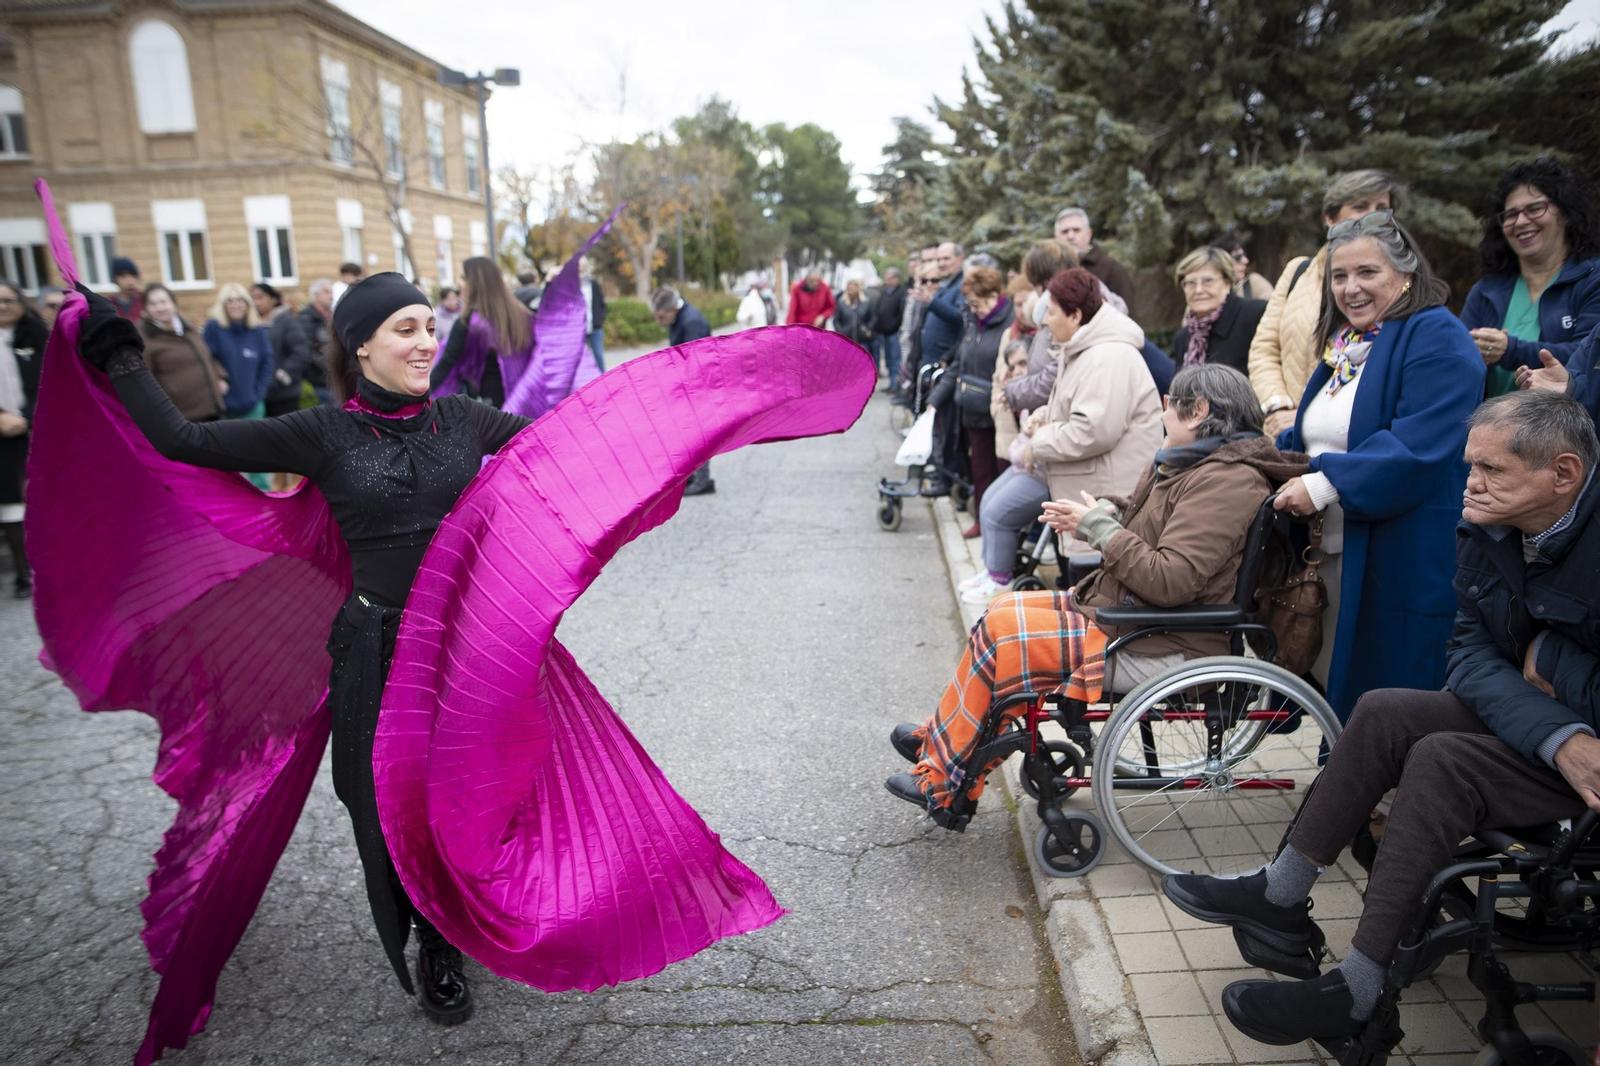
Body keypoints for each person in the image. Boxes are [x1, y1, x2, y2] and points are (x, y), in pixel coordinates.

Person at [73, 273, 539, 1026]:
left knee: (474, 790)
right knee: (387, 808)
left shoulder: (464, 419)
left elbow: (568, 449)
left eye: (429, 326)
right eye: (404, 329)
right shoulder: (322, 432)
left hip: (466, 647)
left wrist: (681, 428)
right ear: (360, 344)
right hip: (377, 650)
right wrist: (121, 353)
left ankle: (469, 917)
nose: (426, 342)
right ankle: (433, 944)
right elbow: (182, 441)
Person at [1162, 390, 1600, 1047]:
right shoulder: (1488, 524)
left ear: (1562, 473)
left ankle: (1361, 995)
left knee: (1442, 759)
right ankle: (1281, 897)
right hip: (1556, 730)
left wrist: (1550, 665)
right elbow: (1471, 658)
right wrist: (1553, 722)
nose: (1469, 482)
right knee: (1386, 709)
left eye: (1490, 470)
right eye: (1469, 465)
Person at [890, 364, 1306, 814]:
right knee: (1001, 611)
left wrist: (1102, 530)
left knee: (1009, 637)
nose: (1163, 413)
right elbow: (1158, 529)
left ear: (1198, 411)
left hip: (1166, 639)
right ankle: (945, 739)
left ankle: (947, 784)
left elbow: (1171, 579)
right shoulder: (1193, 463)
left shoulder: (1228, 480)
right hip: (1132, 614)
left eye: (1169, 405)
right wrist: (1112, 512)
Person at [1272, 214, 1484, 721]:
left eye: (1367, 272)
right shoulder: (1352, 342)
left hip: (1403, 547)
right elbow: (1326, 430)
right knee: (1340, 675)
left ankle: (1400, 793)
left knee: (1393, 679)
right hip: (1338, 543)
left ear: (1406, 273)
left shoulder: (1438, 336)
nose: (1351, 288)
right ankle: (1352, 788)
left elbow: (1420, 443)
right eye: (1339, 276)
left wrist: (1324, 482)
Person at [964, 268, 1164, 603]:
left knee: (1101, 602)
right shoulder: (1084, 349)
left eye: (1052, 314)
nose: (1045, 323)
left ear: (1075, 315)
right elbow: (1068, 406)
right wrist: (1043, 417)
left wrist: (1038, 443)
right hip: (1092, 493)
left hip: (1108, 497)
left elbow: (1092, 431)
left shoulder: (1107, 356)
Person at [1249, 169, 1406, 436]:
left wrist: (1310, 416)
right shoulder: (1298, 271)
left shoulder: (1398, 279)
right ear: (1330, 218)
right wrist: (1278, 406)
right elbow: (1264, 348)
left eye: (1382, 208)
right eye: (1360, 206)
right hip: (1285, 436)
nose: (1372, 216)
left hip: (1353, 436)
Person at [1463, 157, 1600, 398]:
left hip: (1566, 431)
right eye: (1511, 214)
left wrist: (1510, 350)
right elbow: (1455, 360)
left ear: (1566, 214)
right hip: (1488, 430)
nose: (1521, 221)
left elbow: (1590, 357)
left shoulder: (1593, 278)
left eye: (1535, 209)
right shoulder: (1486, 291)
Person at [951, 266, 1015, 540]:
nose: (972, 308)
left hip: (1002, 410)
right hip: (974, 409)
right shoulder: (971, 321)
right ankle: (982, 520)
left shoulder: (1009, 321)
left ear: (993, 296)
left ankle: (1005, 530)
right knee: (980, 470)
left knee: (1004, 473)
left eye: (976, 303)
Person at [430, 257, 533, 408]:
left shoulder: (470, 322)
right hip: (523, 399)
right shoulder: (521, 315)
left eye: (463, 278)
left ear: (475, 283)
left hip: (491, 403)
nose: (459, 283)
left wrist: (418, 396)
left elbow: (446, 364)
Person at [0, 280, 45, 598]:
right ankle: (23, 571)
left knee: (45, 499)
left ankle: (56, 566)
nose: (2, 306)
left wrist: (27, 418)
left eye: (8, 300)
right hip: (2, 435)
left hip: (37, 429)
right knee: (11, 506)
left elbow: (51, 381)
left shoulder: (38, 337)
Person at [652, 286, 715, 496]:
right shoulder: (681, 317)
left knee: (699, 434)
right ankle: (691, 478)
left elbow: (695, 362)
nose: (658, 322)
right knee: (686, 433)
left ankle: (703, 481)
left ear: (672, 309)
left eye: (661, 317)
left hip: (698, 386)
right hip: (687, 385)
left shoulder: (691, 323)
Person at [1169, 246, 1267, 375]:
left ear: (1227, 283)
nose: (1198, 290)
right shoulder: (1183, 338)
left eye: (1208, 281)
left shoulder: (1255, 315)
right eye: (1191, 283)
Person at [140, 283, 227, 421]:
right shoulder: (146, 338)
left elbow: (207, 356)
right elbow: (145, 380)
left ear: (174, 304)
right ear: (146, 309)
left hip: (212, 408)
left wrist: (220, 376)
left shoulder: (189, 328)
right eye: (153, 304)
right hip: (182, 416)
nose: (160, 308)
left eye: (163, 302)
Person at [203, 284, 275, 423]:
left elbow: (267, 364)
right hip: (224, 406)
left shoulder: (257, 331)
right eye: (230, 301)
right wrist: (218, 381)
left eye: (240, 300)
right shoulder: (213, 329)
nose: (235, 305)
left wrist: (258, 395)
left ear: (247, 304)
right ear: (223, 305)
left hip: (253, 406)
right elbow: (207, 360)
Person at [1054, 208, 1137, 318]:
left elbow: (1127, 315)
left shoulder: (1112, 269)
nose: (1070, 236)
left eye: (1076, 230)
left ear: (1089, 233)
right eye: (1065, 232)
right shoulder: (1053, 269)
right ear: (1056, 236)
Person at [253, 282, 314, 419]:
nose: (256, 302)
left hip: (284, 394)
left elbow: (301, 352)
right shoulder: (252, 325)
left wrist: (282, 376)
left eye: (260, 297)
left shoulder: (286, 322)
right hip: (259, 395)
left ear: (273, 299)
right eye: (253, 298)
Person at [298, 278, 335, 404]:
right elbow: (307, 351)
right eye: (326, 292)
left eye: (331, 292)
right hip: (320, 382)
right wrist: (330, 368)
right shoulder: (306, 319)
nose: (331, 296)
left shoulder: (332, 316)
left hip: (335, 380)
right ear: (315, 295)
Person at [872, 267, 907, 390]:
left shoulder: (902, 292)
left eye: (890, 279)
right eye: (886, 279)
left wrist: (894, 325)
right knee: (888, 359)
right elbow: (878, 308)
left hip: (893, 332)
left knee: (895, 359)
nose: (887, 282)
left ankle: (896, 384)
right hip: (883, 332)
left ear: (897, 279)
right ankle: (891, 384)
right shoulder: (884, 292)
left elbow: (901, 313)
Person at [1213, 233, 1274, 300]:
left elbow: (1273, 307)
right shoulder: (1209, 291)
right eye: (1237, 257)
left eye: (1244, 255)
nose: (1246, 261)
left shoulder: (1253, 283)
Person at [579, 256, 609, 371]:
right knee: (581, 359)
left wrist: (600, 318)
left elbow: (601, 303)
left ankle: (603, 380)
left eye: (581, 265)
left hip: (595, 327)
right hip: (579, 330)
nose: (580, 268)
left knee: (598, 356)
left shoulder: (592, 283)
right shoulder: (571, 285)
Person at [832, 276, 875, 350]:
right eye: (849, 288)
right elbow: (836, 320)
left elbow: (873, 317)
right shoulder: (842, 303)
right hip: (846, 340)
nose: (851, 290)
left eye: (853, 288)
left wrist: (867, 329)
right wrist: (841, 331)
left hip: (862, 340)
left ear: (858, 289)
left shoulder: (866, 302)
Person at [111, 257, 144, 322]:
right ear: (115, 279)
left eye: (133, 275)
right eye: (123, 276)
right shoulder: (109, 305)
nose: (130, 282)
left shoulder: (146, 301)